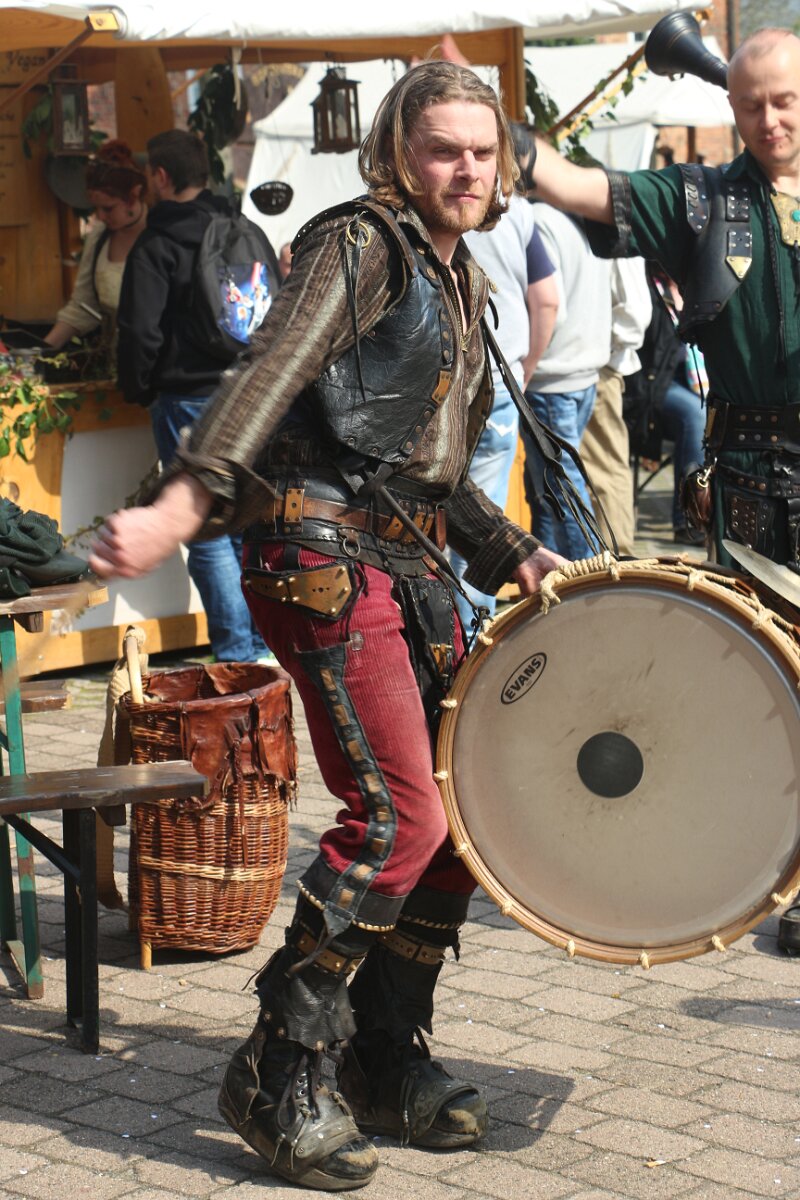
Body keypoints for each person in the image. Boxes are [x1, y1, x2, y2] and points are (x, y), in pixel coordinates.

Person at [90, 62, 566, 1191]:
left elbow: (429, 472)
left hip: (406, 560)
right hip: (319, 558)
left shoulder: (462, 279)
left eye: (481, 151)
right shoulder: (359, 243)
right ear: (399, 152)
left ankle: (381, 1059)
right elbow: (266, 375)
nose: (466, 169)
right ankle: (276, 1070)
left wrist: (515, 552)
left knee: (460, 819)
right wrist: (180, 504)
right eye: (443, 148)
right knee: (400, 814)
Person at [531, 26, 800, 947]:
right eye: (752, 104)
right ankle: (776, 869)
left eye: (786, 101)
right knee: (765, 681)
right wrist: (503, 129)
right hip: (757, 476)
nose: (770, 120)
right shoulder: (702, 200)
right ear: (732, 106)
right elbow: (580, 188)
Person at [116, 129, 273, 664]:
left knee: (203, 527)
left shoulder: (156, 244)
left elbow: (140, 332)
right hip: (250, 394)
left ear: (161, 177)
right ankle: (263, 646)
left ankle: (237, 654)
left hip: (185, 397)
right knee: (247, 521)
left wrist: (139, 387)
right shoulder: (243, 227)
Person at [450, 122, 559, 629]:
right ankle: (472, 638)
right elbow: (547, 299)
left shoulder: (421, 208)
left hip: (442, 380)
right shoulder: (516, 211)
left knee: (434, 517)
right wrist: (526, 366)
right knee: (484, 518)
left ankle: (453, 636)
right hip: (499, 376)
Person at [522, 202, 611, 559]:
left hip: (551, 377)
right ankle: (560, 579)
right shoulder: (580, 218)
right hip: (577, 373)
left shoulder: (541, 219)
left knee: (563, 493)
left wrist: (526, 365)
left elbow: (550, 306)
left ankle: (590, 582)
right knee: (551, 493)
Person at [624, 265, 705, 544]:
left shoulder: (696, 289)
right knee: (696, 415)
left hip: (696, 378)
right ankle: (688, 520)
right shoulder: (648, 287)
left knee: (724, 410)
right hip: (654, 383)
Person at [579, 257, 651, 558]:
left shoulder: (615, 237)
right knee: (597, 468)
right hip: (588, 363)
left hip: (598, 368)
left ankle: (617, 564)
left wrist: (597, 347)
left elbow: (635, 314)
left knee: (604, 468)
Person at [44, 140, 147, 352]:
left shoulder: (161, 237)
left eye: (108, 209)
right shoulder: (100, 237)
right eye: (96, 208)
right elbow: (83, 307)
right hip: (114, 361)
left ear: (134, 195)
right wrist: (41, 351)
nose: (100, 216)